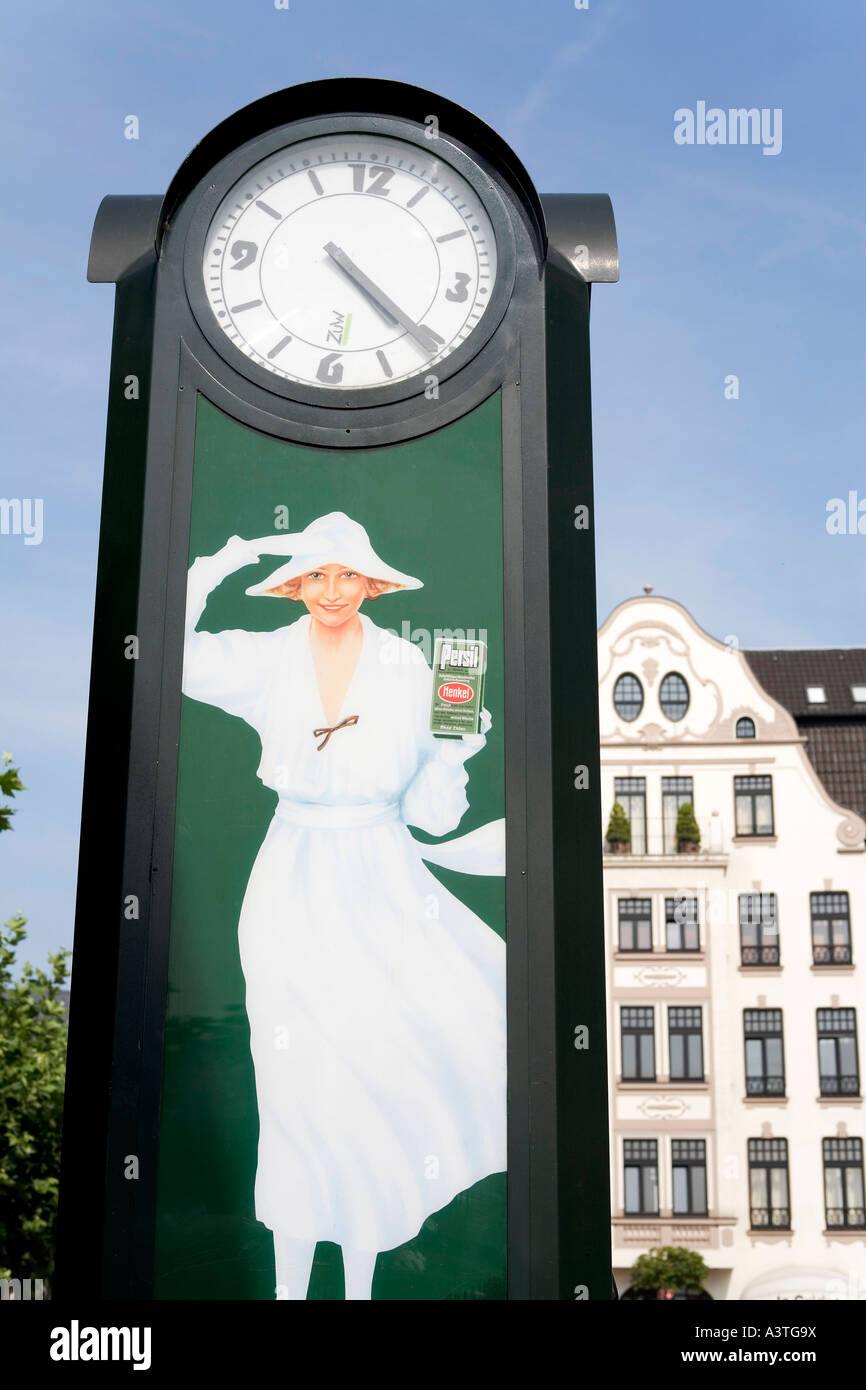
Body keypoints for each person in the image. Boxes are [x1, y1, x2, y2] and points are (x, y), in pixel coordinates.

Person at [182, 511, 506, 1300]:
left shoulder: (410, 668)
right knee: (293, 1081)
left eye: (347, 575)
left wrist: (457, 748)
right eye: (317, 576)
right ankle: (291, 1291)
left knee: (372, 1073)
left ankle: (358, 1288)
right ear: (295, 588)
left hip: (382, 876)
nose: (333, 591)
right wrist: (211, 567)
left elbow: (435, 812)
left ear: (372, 583)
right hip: (292, 873)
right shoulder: (264, 660)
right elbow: (172, 657)